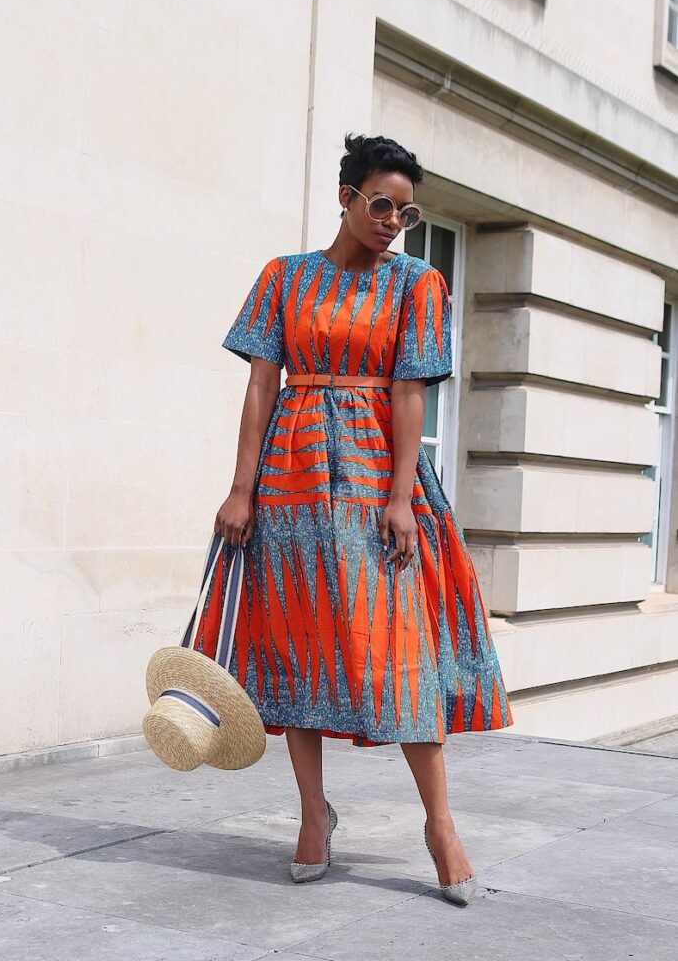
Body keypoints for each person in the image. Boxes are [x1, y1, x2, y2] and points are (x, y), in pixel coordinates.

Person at [213, 132, 513, 904]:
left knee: (398, 648)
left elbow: (411, 391)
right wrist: (241, 489)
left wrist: (400, 497)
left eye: (405, 213)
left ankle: (439, 826)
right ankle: (313, 815)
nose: (391, 222)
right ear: (346, 198)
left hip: (379, 474)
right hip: (289, 477)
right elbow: (261, 386)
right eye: (380, 205)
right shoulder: (283, 276)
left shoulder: (417, 282)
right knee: (294, 644)